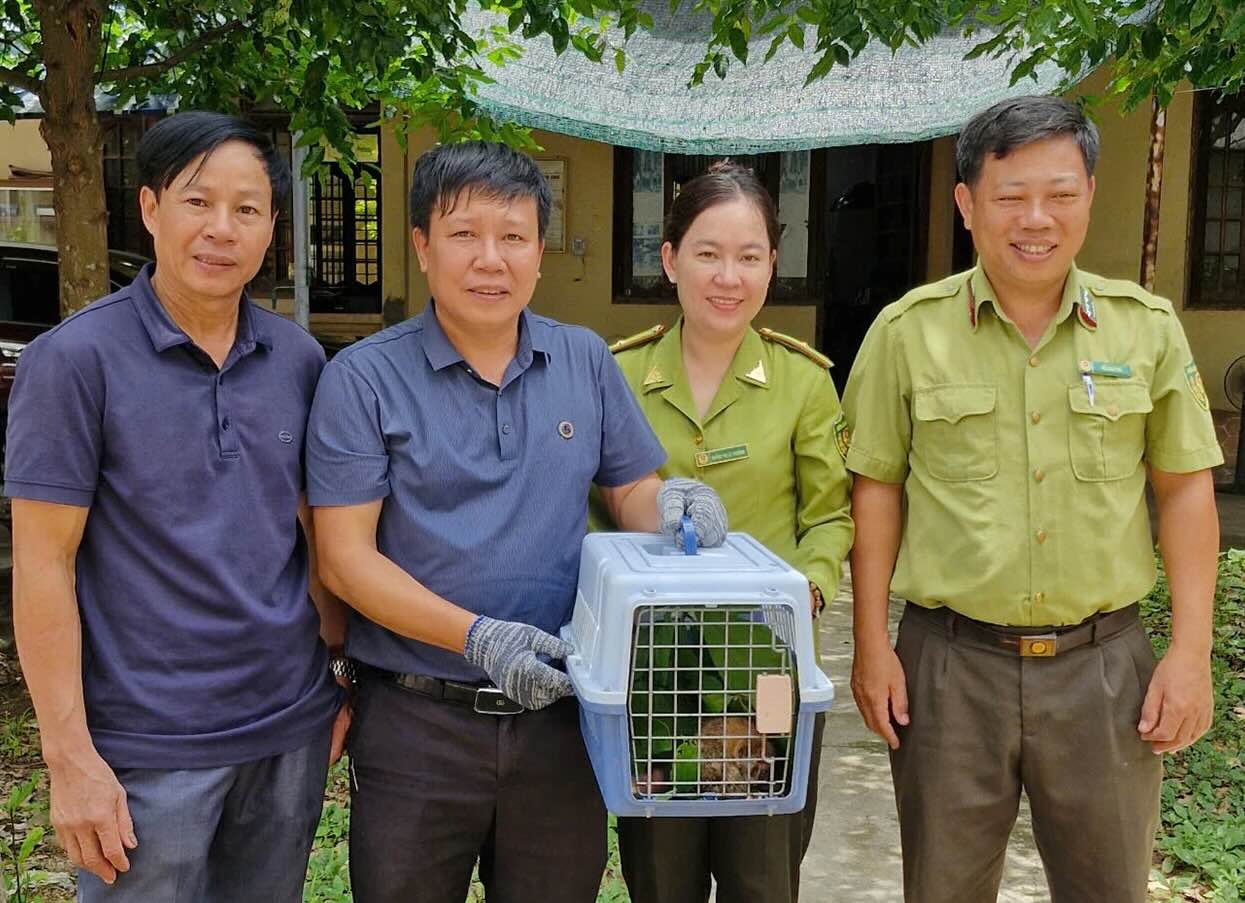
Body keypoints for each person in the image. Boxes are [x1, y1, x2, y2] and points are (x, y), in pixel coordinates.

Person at [305, 140, 728, 903]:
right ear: (422, 247)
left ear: (539, 253)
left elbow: (632, 485)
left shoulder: (583, 360)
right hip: (414, 719)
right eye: (464, 235)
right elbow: (342, 558)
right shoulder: (361, 379)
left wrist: (667, 504)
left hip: (561, 714)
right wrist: (476, 635)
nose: (490, 259)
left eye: (513, 236)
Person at [843, 95, 1222, 903]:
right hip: (948, 667)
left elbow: (1184, 491)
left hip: (1103, 669)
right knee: (942, 889)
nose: (1035, 219)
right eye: (1010, 196)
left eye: (1059, 193)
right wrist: (871, 642)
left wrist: (1190, 653)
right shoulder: (906, 333)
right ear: (967, 204)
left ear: (1089, 192)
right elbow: (874, 491)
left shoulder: (1144, 330)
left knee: (1106, 888)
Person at [5, 111, 349, 902]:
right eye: (199, 202)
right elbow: (42, 562)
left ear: (271, 228)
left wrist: (338, 674)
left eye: (247, 209)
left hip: (286, 734)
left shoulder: (296, 358)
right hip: (144, 749)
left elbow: (311, 536)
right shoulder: (73, 362)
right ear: (153, 209)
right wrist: (69, 758)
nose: (221, 229)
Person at [594, 161, 854, 903]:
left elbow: (828, 515)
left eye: (748, 256)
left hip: (769, 665)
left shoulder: (804, 382)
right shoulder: (618, 373)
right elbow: (594, 512)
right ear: (669, 258)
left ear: (774, 263)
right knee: (660, 874)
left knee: (763, 869)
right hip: (653, 671)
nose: (727, 276)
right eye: (707, 253)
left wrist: (808, 588)